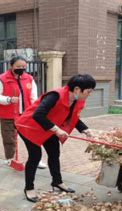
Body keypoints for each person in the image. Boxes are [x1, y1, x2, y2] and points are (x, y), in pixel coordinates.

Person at [15, 74, 95, 202]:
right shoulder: (55, 96)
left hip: (48, 129)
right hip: (29, 127)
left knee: (54, 153)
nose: (89, 94)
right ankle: (29, 188)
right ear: (77, 89)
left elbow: (73, 117)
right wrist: (57, 130)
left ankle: (57, 182)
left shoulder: (75, 100)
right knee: (35, 156)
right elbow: (38, 115)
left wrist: (85, 130)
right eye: (88, 92)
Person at [0, 55, 46, 169]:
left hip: (26, 115)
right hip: (8, 115)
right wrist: (8, 99)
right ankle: (10, 159)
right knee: (9, 138)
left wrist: (35, 110)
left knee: (32, 138)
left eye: (24, 66)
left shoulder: (29, 78)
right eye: (18, 66)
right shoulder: (1, 79)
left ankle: (36, 159)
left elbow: (33, 97)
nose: (21, 68)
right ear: (11, 66)